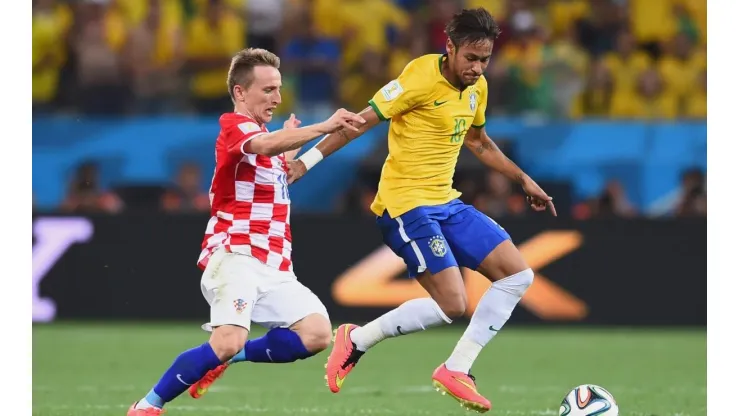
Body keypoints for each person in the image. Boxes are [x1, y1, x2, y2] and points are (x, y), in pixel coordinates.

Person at [287, 8, 556, 414]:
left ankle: (456, 368)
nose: (478, 68)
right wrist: (305, 163)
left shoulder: (476, 88)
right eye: (471, 57)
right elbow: (359, 123)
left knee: (518, 274)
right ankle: (357, 341)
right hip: (405, 205)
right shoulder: (419, 76)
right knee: (453, 305)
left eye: (485, 59)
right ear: (449, 47)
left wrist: (523, 179)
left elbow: (479, 141)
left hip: (446, 201)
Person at [126, 48, 365, 416]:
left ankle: (231, 358)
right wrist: (323, 125)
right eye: (268, 90)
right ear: (240, 93)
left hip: (276, 265)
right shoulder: (234, 126)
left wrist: (301, 140)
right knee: (226, 338)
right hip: (236, 254)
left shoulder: (270, 146)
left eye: (279, 89)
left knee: (317, 334)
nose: (277, 98)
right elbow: (264, 144)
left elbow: (283, 158)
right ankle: (147, 406)